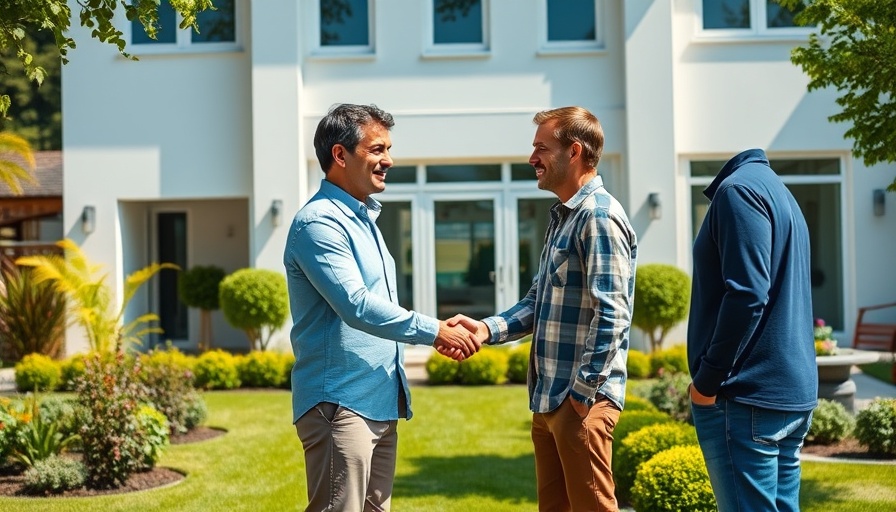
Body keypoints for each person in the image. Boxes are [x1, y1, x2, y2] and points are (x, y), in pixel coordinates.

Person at [283, 103, 480, 512]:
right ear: (340, 155)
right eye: (376, 150)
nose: (388, 160)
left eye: (388, 149)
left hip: (377, 400)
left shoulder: (363, 220)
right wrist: (435, 331)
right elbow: (356, 305)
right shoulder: (319, 223)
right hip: (341, 402)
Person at [451, 106, 638, 511]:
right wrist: (485, 330)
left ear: (574, 151)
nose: (532, 158)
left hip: (579, 401)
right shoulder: (563, 218)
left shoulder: (598, 217)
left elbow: (614, 315)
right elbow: (539, 301)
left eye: (541, 148)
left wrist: (584, 392)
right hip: (550, 399)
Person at [687, 148, 817, 512]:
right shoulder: (780, 193)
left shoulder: (737, 190)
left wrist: (707, 382)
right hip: (788, 392)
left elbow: (748, 294)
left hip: (744, 396)